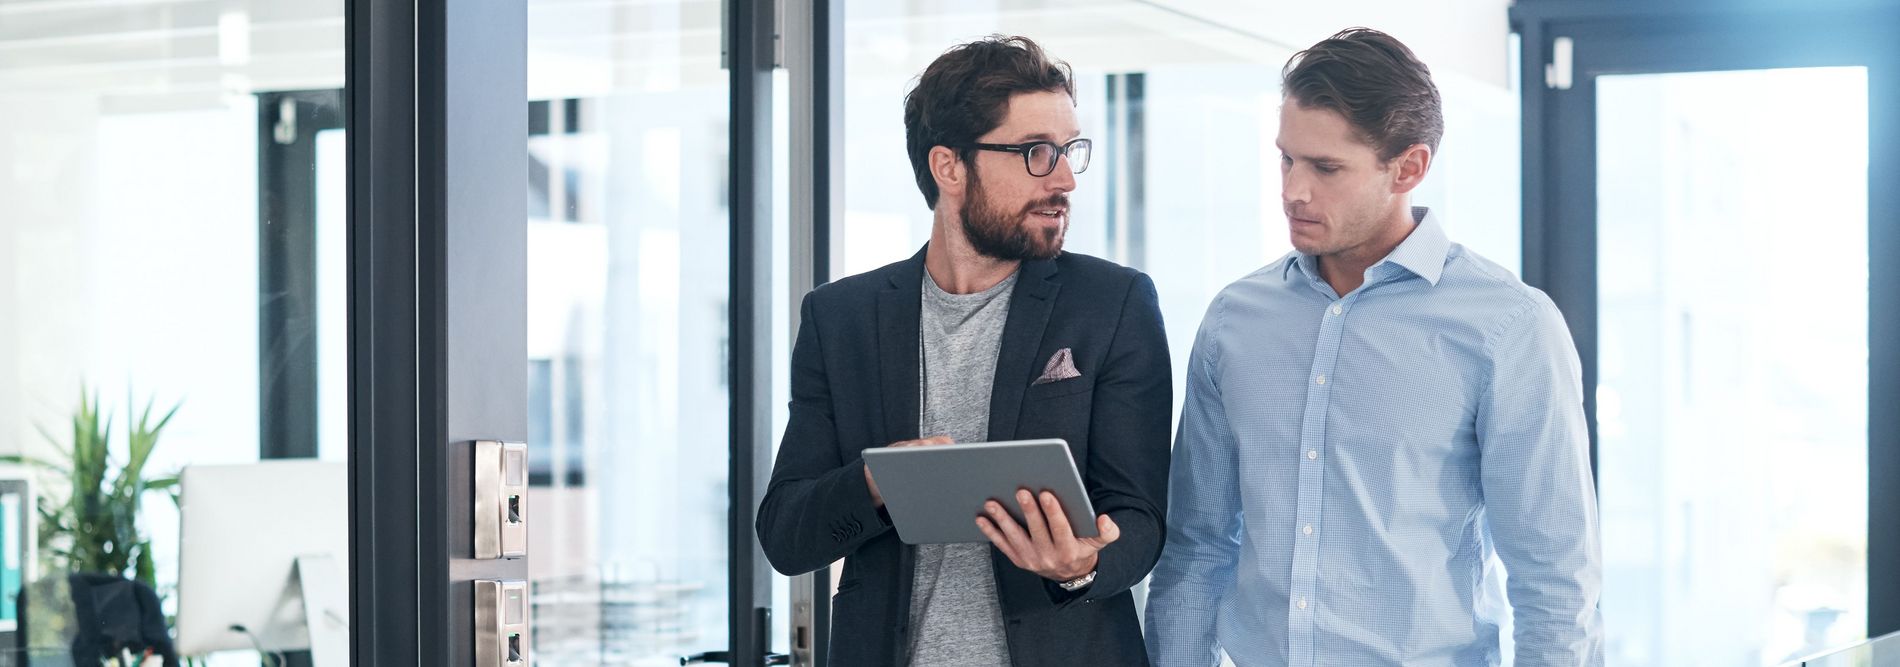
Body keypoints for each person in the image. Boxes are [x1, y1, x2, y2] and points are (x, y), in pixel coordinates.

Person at [1145, 28, 1603, 666]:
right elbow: (1197, 547)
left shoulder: (1509, 324)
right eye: (1286, 158)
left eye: (1326, 167)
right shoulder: (1235, 320)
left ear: (1408, 167)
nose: (1292, 190)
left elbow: (1555, 578)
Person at [756, 35, 1171, 667]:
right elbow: (786, 535)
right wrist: (872, 484)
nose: (1063, 179)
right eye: (1036, 152)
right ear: (949, 167)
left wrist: (1082, 565)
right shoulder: (840, 319)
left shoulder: (1113, 304)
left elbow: (1141, 517)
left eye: (1068, 152)